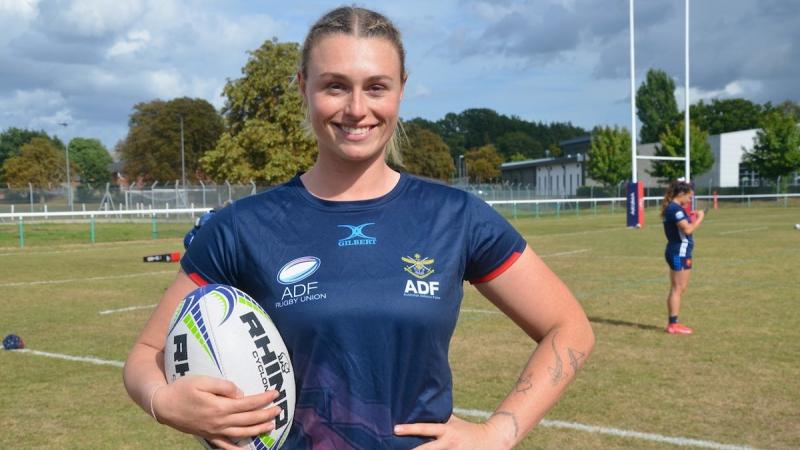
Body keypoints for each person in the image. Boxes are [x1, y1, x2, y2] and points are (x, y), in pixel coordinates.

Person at [123, 6, 594, 449]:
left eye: (376, 87)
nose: (356, 108)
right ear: (303, 85)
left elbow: (568, 328)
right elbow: (147, 353)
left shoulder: (456, 217)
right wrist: (163, 402)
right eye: (335, 86)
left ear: (401, 89)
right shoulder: (240, 228)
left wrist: (498, 433)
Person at [661, 180, 705, 335]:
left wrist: (691, 217)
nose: (690, 200)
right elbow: (687, 229)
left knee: (678, 288)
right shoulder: (675, 209)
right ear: (681, 194)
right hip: (679, 251)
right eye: (689, 196)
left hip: (677, 250)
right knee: (677, 288)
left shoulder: (674, 208)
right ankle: (673, 324)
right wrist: (700, 217)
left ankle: (673, 322)